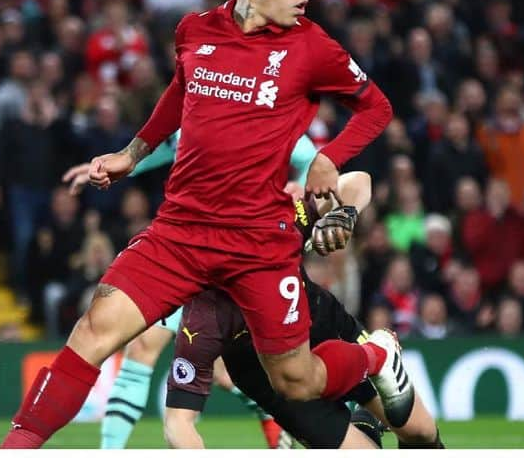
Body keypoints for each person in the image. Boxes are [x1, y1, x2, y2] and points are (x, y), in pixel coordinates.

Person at [1, 0, 410, 449]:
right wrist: (131, 155)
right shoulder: (195, 31)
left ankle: (377, 356)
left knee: (297, 380)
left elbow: (376, 108)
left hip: (258, 241)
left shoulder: (312, 47)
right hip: (182, 230)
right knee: (94, 330)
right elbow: (179, 93)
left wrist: (328, 158)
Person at [61, 131, 323, 449]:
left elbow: (313, 159)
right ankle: (109, 452)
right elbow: (163, 147)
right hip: (187, 249)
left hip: (241, 255)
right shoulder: (200, 102)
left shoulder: (270, 112)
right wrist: (118, 165)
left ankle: (276, 419)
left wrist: (299, 186)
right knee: (145, 346)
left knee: (226, 369)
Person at [163, 172, 445, 450]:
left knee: (419, 432)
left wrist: (343, 215)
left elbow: (358, 180)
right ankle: (365, 420)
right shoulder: (201, 319)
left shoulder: (277, 220)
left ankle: (371, 386)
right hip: (277, 386)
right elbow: (178, 422)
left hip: (325, 329)